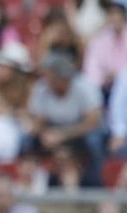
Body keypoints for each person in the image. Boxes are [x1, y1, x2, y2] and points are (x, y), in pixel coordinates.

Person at [21, 52, 105, 188]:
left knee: (94, 139)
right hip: (52, 129)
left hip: (79, 131)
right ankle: (30, 180)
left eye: (50, 76)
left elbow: (93, 122)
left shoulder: (84, 86)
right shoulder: (42, 88)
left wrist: (63, 135)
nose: (46, 80)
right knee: (26, 140)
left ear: (61, 77)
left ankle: (96, 181)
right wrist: (43, 134)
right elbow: (38, 121)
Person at [0, 41, 36, 162]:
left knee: (0, 122)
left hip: (27, 139)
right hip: (6, 133)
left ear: (16, 69)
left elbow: (29, 122)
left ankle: (2, 164)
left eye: (4, 66)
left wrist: (13, 114)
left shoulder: (30, 88)